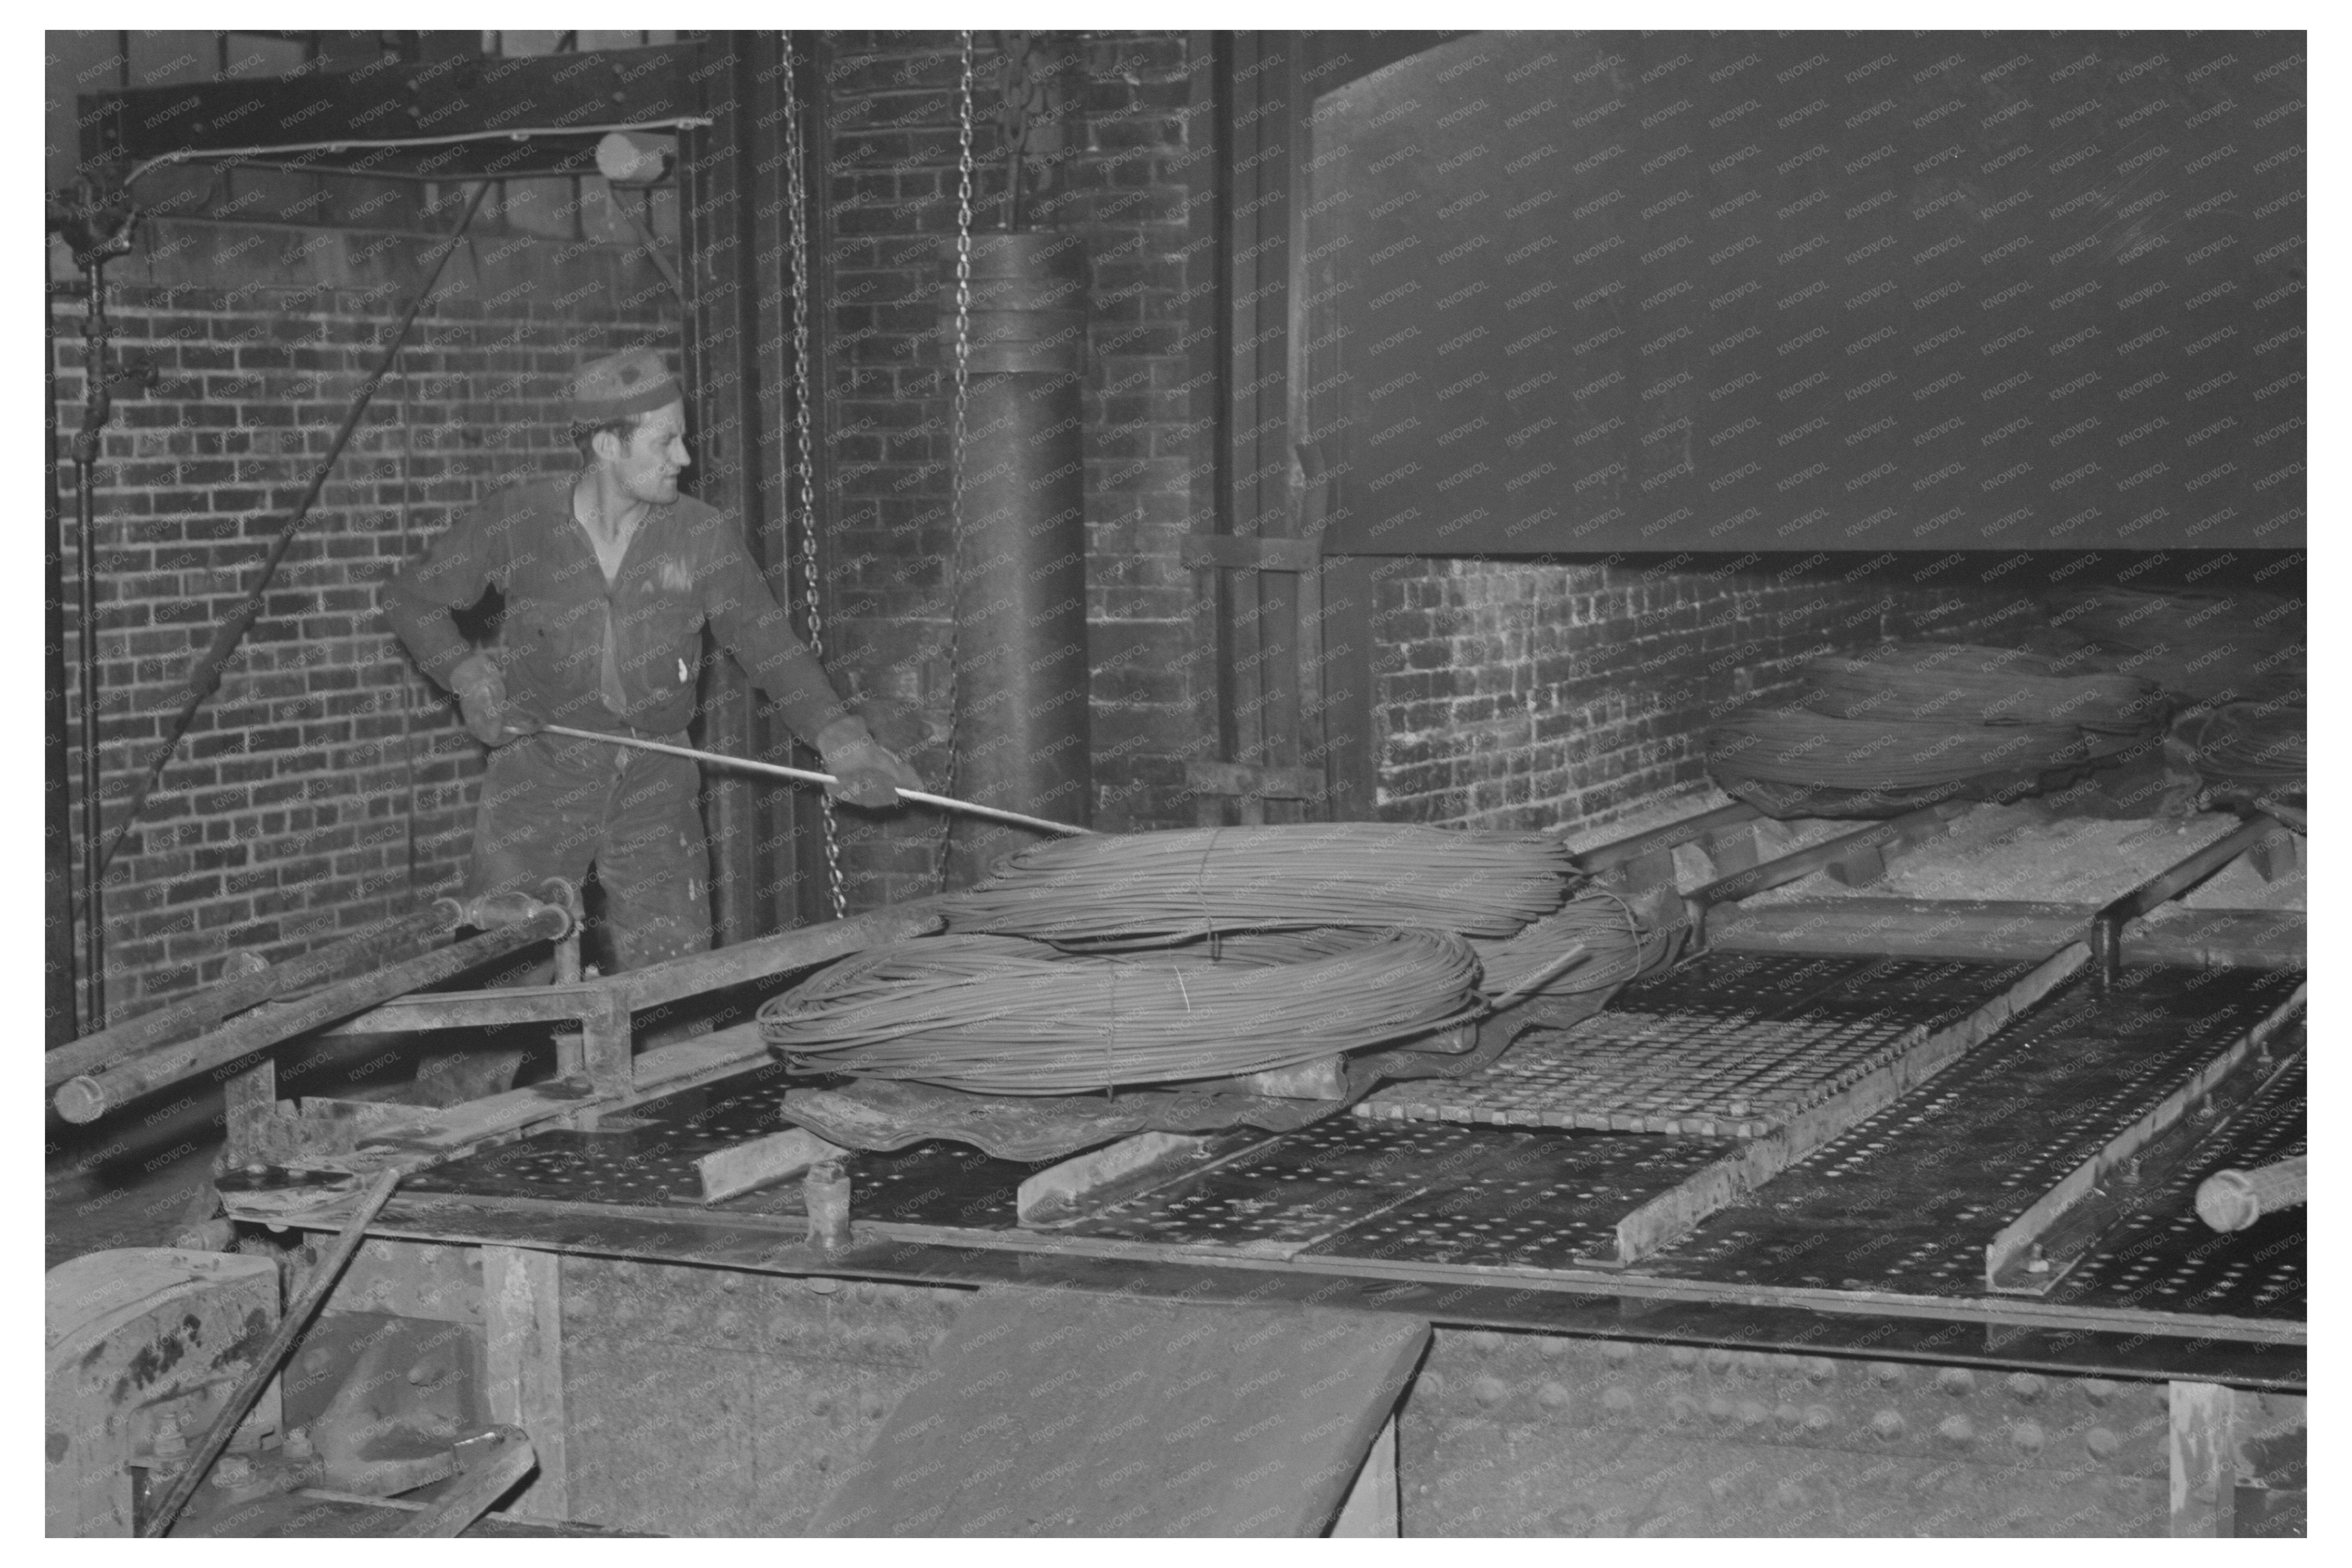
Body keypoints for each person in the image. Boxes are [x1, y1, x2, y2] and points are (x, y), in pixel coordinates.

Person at [382, 346, 918, 979]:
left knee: (672, 983)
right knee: (499, 982)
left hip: (658, 780)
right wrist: (466, 674)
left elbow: (770, 646)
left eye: (683, 440)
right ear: (608, 445)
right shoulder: (520, 520)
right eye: (666, 443)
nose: (684, 460)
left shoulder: (701, 534)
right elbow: (413, 600)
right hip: (540, 774)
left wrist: (843, 742)